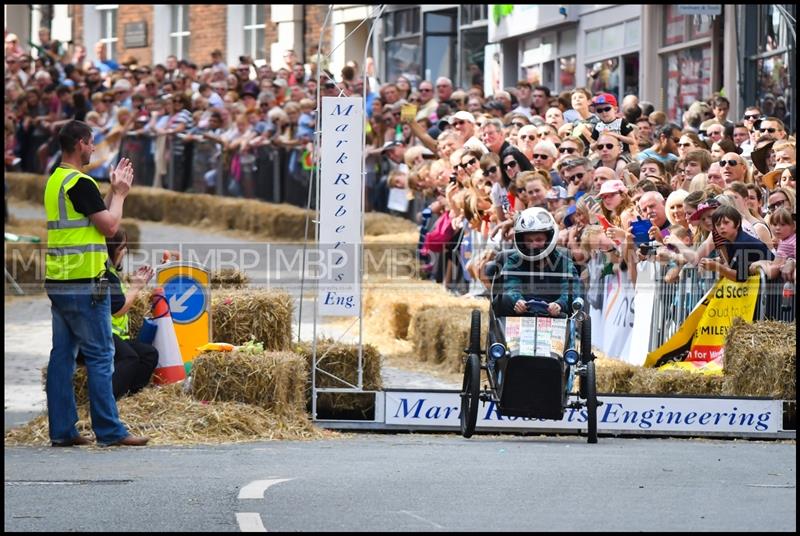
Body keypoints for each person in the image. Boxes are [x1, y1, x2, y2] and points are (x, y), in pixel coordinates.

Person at [44, 120, 148, 447]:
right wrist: (119, 194)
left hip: (59, 281)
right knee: (102, 355)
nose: (93, 149)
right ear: (79, 144)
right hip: (85, 283)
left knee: (62, 357)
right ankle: (110, 430)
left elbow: (87, 214)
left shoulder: (55, 181)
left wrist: (108, 192)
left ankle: (62, 431)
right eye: (91, 143)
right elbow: (110, 226)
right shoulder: (80, 181)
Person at [77, 230, 159, 399]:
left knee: (148, 354)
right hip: (94, 336)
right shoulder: (105, 274)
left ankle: (129, 397)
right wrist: (136, 287)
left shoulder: (111, 272)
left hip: (112, 335)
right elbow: (118, 309)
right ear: (110, 249)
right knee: (129, 358)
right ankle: (105, 403)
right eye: (122, 247)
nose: (125, 251)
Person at [502, 207, 578, 317]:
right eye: (529, 241)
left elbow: (572, 290)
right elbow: (510, 286)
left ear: (549, 238)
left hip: (554, 315)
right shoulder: (514, 261)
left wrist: (559, 304)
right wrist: (517, 301)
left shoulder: (564, 262)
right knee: (504, 300)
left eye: (539, 240)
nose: (534, 245)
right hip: (520, 313)